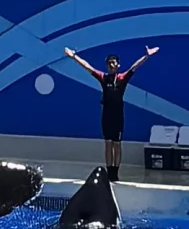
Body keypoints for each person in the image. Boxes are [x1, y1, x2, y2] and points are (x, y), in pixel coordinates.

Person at [64, 46, 160, 181]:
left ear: (118, 65)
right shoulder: (104, 78)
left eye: (114, 62)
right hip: (106, 115)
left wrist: (147, 56)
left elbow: (134, 67)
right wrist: (74, 57)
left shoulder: (122, 78)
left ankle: (116, 171)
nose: (111, 64)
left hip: (118, 116)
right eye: (109, 63)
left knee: (117, 144)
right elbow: (88, 68)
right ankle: (109, 171)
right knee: (108, 143)